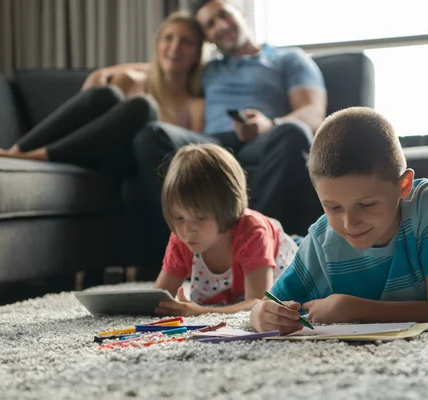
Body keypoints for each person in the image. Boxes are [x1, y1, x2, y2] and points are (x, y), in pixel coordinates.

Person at [250, 107, 428, 334]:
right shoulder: (321, 239)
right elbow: (268, 303)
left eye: (367, 204)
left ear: (403, 185)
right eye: (333, 206)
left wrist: (352, 309)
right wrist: (262, 315)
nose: (349, 223)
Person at [133, 0, 327, 276]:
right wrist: (111, 71)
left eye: (224, 15)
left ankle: (256, 249)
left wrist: (268, 124)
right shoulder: (208, 70)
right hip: (212, 145)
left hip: (267, 140)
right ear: (207, 38)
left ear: (241, 13)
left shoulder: (288, 59)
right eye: (209, 25)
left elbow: (313, 113)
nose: (220, 26)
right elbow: (164, 65)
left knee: (294, 132)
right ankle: (180, 256)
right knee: (152, 134)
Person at [0, 11, 205, 179]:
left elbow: (193, 160)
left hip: (129, 165)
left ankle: (30, 159)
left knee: (143, 107)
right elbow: (89, 104)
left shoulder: (195, 104)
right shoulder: (133, 79)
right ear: (157, 45)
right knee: (106, 95)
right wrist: (110, 72)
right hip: (91, 152)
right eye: (168, 38)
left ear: (197, 53)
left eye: (185, 41)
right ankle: (14, 153)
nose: (174, 47)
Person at [153, 143, 298, 316]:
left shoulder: (253, 233)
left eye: (200, 218)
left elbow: (258, 303)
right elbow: (157, 298)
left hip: (291, 250)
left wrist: (201, 312)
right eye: (179, 218)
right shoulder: (181, 239)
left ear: (227, 208)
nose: (187, 230)